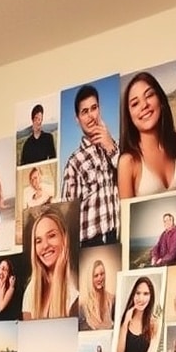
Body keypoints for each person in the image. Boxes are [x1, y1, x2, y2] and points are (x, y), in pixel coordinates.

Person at [61, 83, 119, 247]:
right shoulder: (74, 163)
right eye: (84, 112)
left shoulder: (116, 147)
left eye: (94, 108)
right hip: (89, 245)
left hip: (116, 240)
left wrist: (111, 148)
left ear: (99, 110)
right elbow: (67, 219)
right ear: (77, 119)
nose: (91, 116)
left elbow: (130, 181)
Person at [118, 71, 176, 198]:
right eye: (135, 104)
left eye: (149, 95)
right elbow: (126, 216)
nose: (144, 105)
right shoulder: (128, 162)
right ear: (129, 116)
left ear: (160, 100)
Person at [22, 207, 78, 320]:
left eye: (51, 236)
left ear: (64, 238)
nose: (45, 246)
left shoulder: (74, 290)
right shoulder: (31, 289)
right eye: (38, 241)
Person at [116, 276, 158, 352]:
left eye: (146, 294)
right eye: (138, 293)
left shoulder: (153, 323)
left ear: (151, 297)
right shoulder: (125, 318)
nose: (141, 298)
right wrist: (125, 324)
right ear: (133, 295)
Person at [79, 259, 115, 331]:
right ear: (90, 278)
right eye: (96, 276)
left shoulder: (112, 299)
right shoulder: (83, 305)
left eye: (102, 274)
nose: (100, 278)